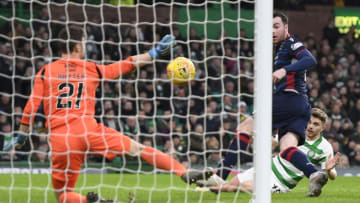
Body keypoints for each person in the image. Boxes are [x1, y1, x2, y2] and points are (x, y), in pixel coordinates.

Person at [3, 26, 211, 203]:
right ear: (77, 47)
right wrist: (154, 53)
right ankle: (183, 172)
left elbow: (31, 104)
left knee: (63, 194)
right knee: (138, 149)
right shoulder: (91, 68)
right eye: (83, 43)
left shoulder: (46, 71)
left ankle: (88, 201)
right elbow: (124, 65)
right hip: (89, 129)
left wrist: (22, 133)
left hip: (61, 138)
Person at [206, 11, 327, 197]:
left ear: (286, 28)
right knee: (287, 148)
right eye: (269, 27)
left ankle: (221, 175)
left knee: (245, 127)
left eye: (276, 26)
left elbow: (310, 59)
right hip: (301, 106)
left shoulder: (290, 43)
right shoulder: (278, 49)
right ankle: (313, 173)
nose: (272, 31)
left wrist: (284, 71)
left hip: (289, 98)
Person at [203, 108, 341, 195]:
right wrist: (255, 140)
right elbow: (271, 142)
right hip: (265, 168)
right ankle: (202, 187)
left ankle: (203, 186)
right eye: (309, 122)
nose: (310, 127)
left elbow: (332, 175)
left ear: (323, 128)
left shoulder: (325, 147)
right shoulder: (295, 133)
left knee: (243, 186)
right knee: (227, 185)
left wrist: (329, 170)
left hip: (280, 182)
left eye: (316, 124)